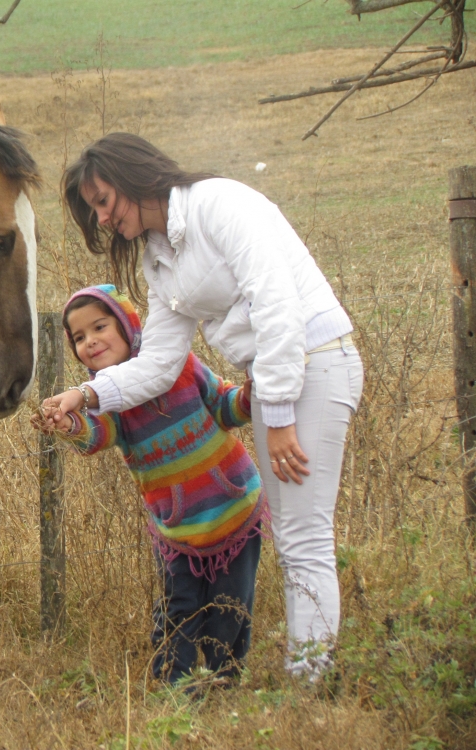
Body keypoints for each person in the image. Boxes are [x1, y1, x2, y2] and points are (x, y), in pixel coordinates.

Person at [43, 133, 363, 680]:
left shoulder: (218, 203)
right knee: (291, 537)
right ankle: (309, 675)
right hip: (276, 380)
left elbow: (277, 302)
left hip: (315, 359)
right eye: (92, 208)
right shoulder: (160, 259)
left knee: (304, 537)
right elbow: (160, 363)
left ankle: (311, 683)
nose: (100, 219)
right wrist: (88, 394)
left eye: (102, 201)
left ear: (130, 176)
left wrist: (281, 415)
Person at [33, 284, 266, 685]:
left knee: (229, 610)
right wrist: (67, 424)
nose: (90, 342)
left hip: (233, 509)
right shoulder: (106, 398)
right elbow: (95, 435)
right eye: (79, 337)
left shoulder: (181, 365)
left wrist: (248, 397)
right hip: (176, 528)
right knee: (178, 608)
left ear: (128, 326)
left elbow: (225, 408)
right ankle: (171, 689)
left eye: (100, 327)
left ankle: (222, 681)